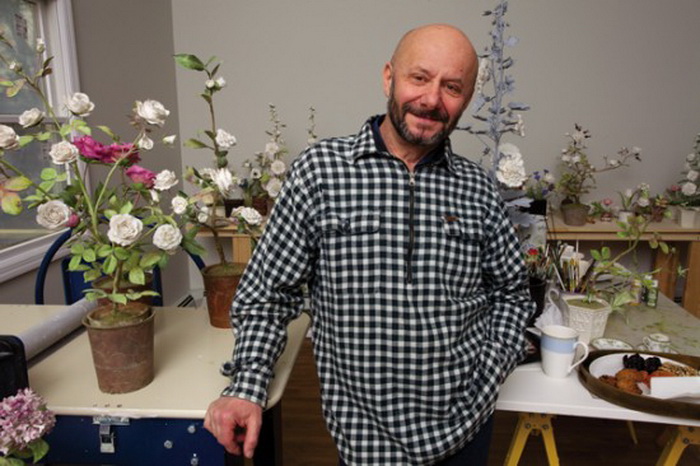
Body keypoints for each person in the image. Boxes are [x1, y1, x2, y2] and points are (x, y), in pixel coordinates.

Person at [204, 23, 535, 465]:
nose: (432, 99)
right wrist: (247, 386)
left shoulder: (477, 188)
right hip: (363, 437)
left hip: (465, 426)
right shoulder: (321, 172)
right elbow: (268, 295)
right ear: (388, 77)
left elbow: (512, 293)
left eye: (452, 87)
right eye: (419, 78)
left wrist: (489, 370)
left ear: (467, 98)